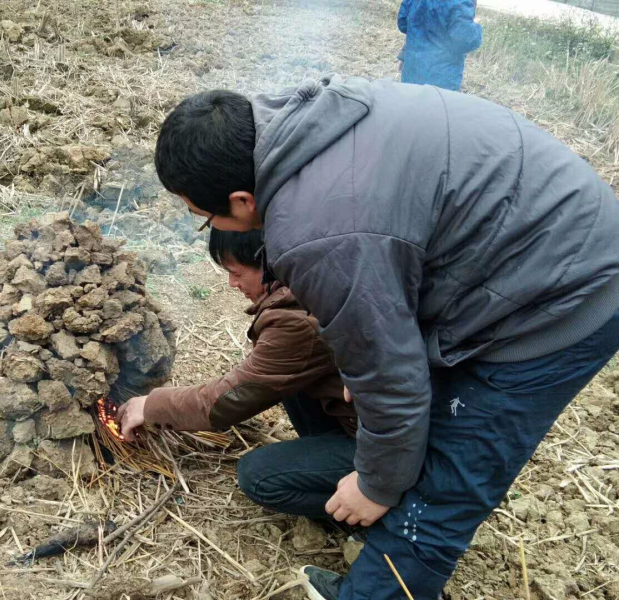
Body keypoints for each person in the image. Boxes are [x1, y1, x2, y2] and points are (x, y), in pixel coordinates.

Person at [137, 76, 619, 599]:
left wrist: (375, 485)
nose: (209, 224)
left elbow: (392, 379)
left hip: (561, 291)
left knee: (442, 491)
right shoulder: (308, 119)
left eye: (205, 216)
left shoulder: (321, 234)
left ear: (240, 198)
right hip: (519, 240)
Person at [119, 228, 359, 523]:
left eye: (236, 272)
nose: (232, 283)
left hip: (382, 448)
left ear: (267, 262)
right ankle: (326, 455)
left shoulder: (297, 320)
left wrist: (150, 406)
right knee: (289, 382)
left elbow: (228, 400)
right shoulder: (309, 278)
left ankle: (378, 515)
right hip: (359, 417)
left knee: (258, 476)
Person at [398, 0, 482, 90]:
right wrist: (475, 25)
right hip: (441, 79)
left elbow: (403, 23)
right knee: (438, 103)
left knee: (411, 101)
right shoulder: (461, 2)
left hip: (411, 71)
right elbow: (465, 41)